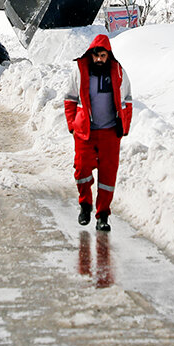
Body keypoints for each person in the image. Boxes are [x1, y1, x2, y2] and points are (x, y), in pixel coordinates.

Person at [63, 34, 132, 232]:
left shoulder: (119, 72)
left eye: (103, 55)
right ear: (91, 55)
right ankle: (85, 205)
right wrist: (71, 124)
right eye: (96, 56)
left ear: (108, 55)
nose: (99, 59)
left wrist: (124, 125)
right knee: (82, 169)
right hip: (85, 132)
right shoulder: (80, 70)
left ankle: (103, 216)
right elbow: (69, 99)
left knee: (108, 176)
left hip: (110, 133)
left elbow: (127, 99)